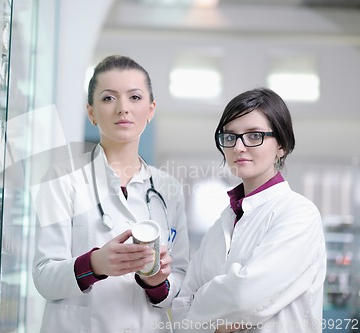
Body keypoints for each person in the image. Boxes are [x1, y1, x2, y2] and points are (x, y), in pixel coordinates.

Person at [32, 55, 190, 333]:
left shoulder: (169, 188)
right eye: (108, 98)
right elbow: (44, 277)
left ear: (151, 109)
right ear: (91, 112)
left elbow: (179, 284)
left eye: (135, 97)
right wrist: (95, 264)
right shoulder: (61, 178)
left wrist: (156, 281)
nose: (122, 109)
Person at [171, 87, 326, 333]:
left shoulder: (299, 214)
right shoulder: (221, 225)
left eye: (254, 135)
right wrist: (213, 323)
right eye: (230, 137)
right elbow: (180, 310)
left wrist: (201, 298)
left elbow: (245, 297)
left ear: (282, 146)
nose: (239, 147)